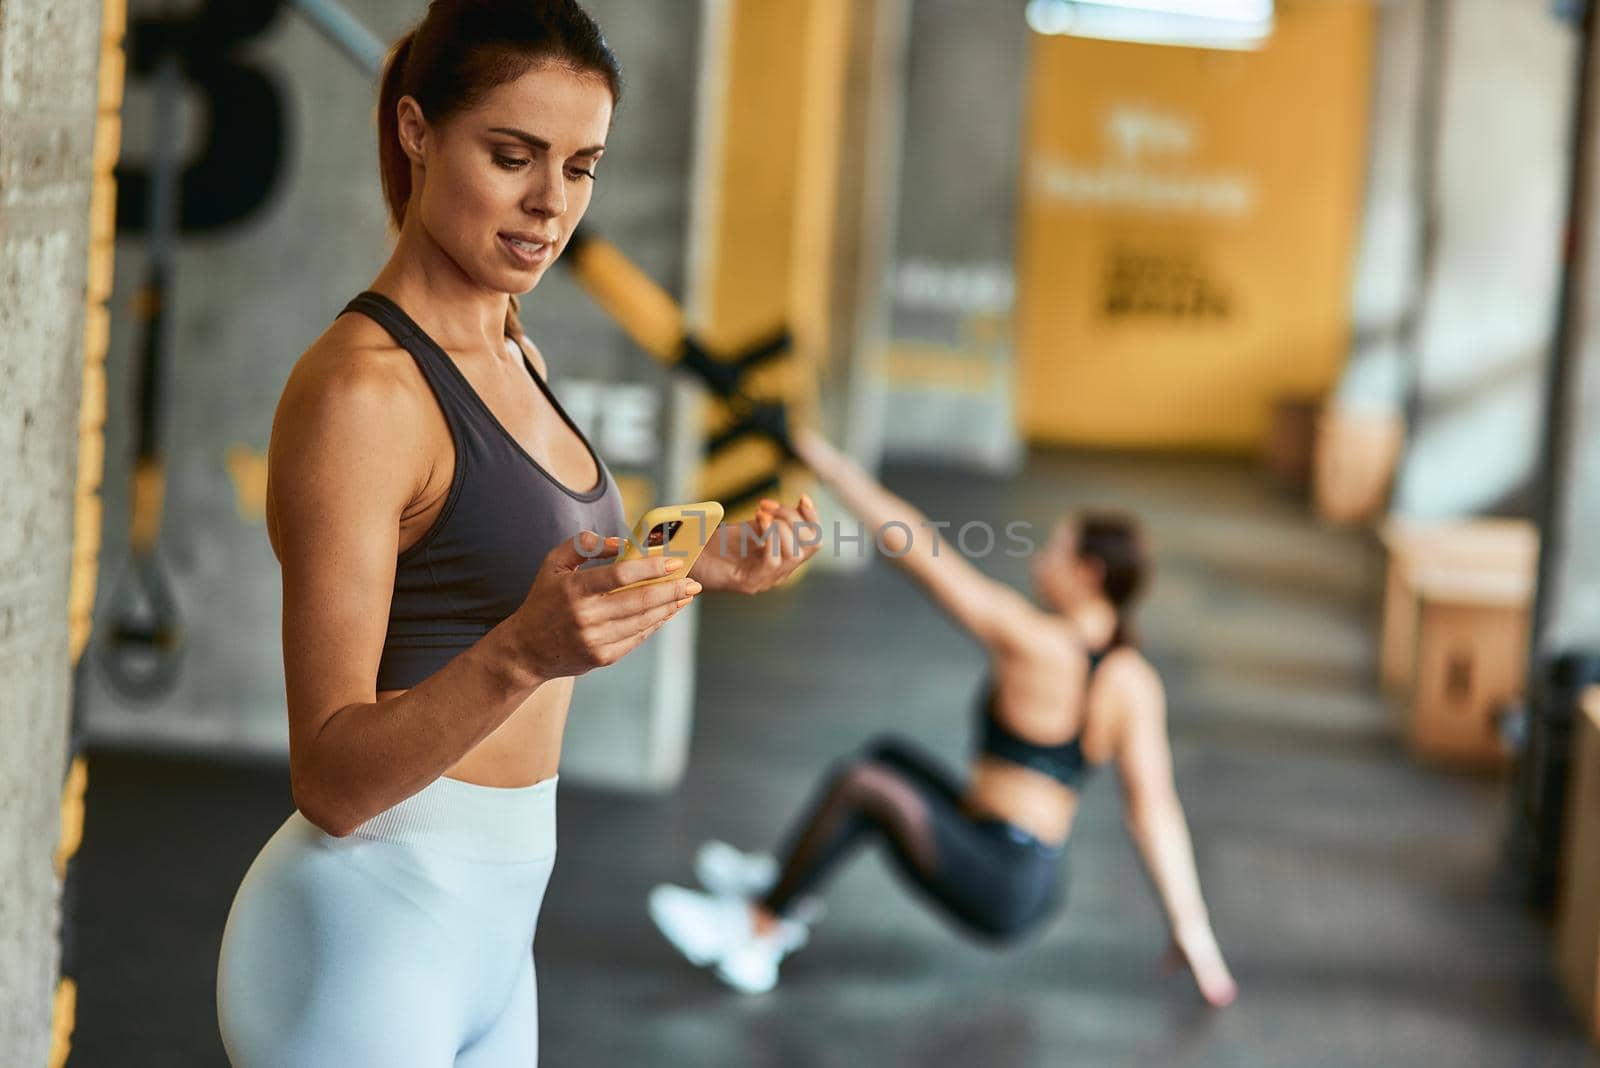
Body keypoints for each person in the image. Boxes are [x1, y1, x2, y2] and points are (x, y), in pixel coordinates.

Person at [214, 4, 819, 1064]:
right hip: (366, 929)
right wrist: (524, 651)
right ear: (415, 130)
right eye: (512, 156)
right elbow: (333, 780)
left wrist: (691, 567)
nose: (551, 205)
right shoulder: (363, 394)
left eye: (580, 167)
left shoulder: (516, 352)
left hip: (496, 930)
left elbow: (507, 576)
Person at [649, 428, 1237, 1007]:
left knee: (864, 786)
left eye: (1055, 550)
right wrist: (1193, 928)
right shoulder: (1136, 680)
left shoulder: (1034, 641)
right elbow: (1153, 810)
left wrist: (828, 463)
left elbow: (918, 550)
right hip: (1029, 873)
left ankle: (758, 932)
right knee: (886, 758)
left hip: (998, 879)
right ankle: (784, 885)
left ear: (1089, 574)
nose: (1041, 560)